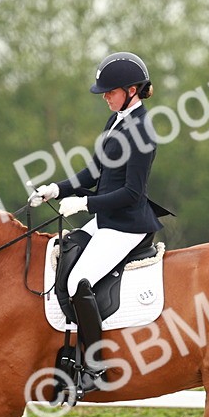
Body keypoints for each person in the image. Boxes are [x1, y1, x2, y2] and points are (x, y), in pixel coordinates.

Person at [30, 51, 172, 396]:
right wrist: (57, 188)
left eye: (110, 91)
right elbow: (93, 173)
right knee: (63, 257)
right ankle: (67, 353)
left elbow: (132, 193)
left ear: (132, 90)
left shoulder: (142, 132)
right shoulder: (117, 121)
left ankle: (94, 367)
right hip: (106, 220)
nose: (105, 97)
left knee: (80, 280)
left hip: (126, 225)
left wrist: (85, 203)